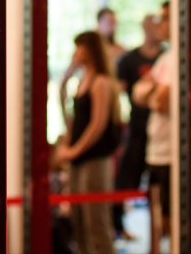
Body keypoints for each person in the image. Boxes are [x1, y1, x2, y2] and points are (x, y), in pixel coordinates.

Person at [57, 30, 121, 254]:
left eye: (79, 47)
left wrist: (75, 151)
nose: (76, 52)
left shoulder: (100, 82)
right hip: (80, 159)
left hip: (95, 159)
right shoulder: (82, 80)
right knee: (79, 222)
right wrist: (65, 80)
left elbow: (98, 124)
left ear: (89, 50)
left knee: (96, 223)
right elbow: (72, 119)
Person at [113, 12, 165, 241]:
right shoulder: (129, 60)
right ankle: (118, 226)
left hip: (161, 134)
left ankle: (158, 234)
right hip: (137, 130)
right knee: (125, 181)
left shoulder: (166, 58)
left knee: (159, 188)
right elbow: (127, 94)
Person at [133, 1, 174, 254]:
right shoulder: (164, 58)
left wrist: (151, 91)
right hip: (156, 149)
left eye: (165, 18)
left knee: (170, 221)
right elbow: (138, 93)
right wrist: (152, 91)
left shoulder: (175, 58)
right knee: (157, 221)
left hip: (171, 153)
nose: (160, 24)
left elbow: (159, 100)